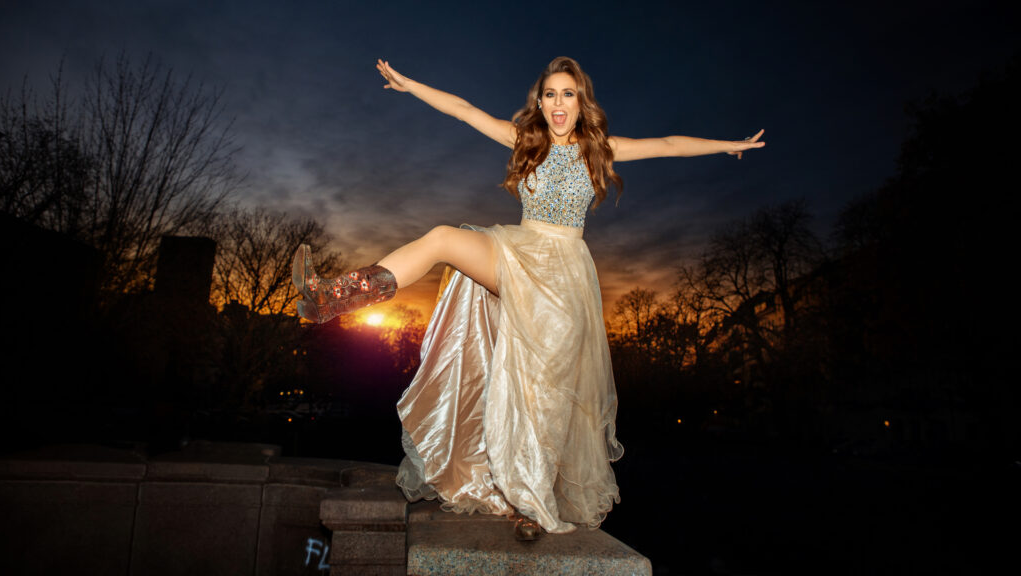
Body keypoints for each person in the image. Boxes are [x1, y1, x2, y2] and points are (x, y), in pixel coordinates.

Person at [292, 57, 764, 539]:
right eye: (551, 94)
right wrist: (411, 85)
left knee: (540, 392)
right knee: (441, 238)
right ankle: (330, 296)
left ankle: (531, 505)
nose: (559, 104)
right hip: (517, 252)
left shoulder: (600, 149)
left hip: (563, 276)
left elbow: (668, 145)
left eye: (568, 94)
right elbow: (464, 110)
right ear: (540, 102)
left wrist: (729, 146)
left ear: (582, 103)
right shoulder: (525, 140)